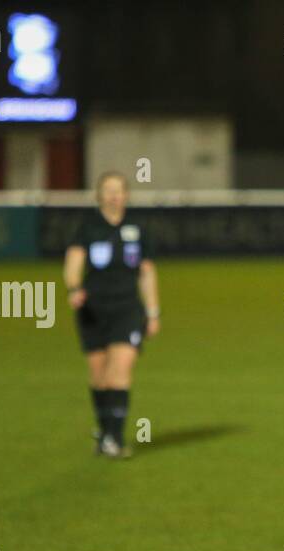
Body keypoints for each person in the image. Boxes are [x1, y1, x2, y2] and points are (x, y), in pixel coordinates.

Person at [64, 172, 161, 457]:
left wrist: (153, 311)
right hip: (93, 311)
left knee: (120, 369)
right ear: (99, 195)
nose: (114, 196)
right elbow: (73, 263)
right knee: (99, 375)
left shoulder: (138, 229)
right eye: (108, 190)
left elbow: (147, 273)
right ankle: (104, 430)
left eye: (118, 190)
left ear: (126, 195)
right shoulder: (88, 228)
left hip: (127, 310)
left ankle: (114, 439)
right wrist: (74, 288)